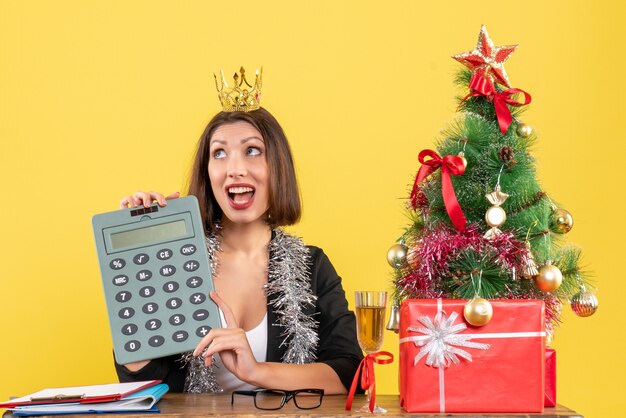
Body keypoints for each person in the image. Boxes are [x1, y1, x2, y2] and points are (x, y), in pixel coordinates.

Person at [115, 68, 363, 394]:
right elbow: (147, 382)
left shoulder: (312, 266)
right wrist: (139, 251)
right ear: (207, 172)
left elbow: (351, 374)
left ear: (278, 166)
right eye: (219, 153)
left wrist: (256, 371)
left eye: (252, 150)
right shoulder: (175, 259)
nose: (235, 169)